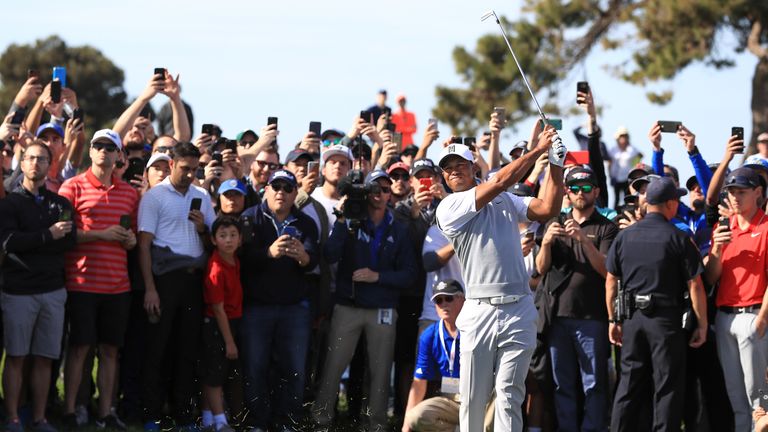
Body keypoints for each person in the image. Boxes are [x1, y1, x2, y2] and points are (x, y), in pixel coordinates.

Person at [435, 126, 565, 432]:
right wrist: (538, 150)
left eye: (460, 166)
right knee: (473, 397)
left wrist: (557, 166)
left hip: (519, 307)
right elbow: (503, 179)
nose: (454, 172)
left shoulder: (505, 200)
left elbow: (547, 208)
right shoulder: (450, 207)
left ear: (473, 168)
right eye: (448, 169)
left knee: (510, 394)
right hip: (479, 310)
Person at [313, 169, 416, 431]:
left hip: (382, 308)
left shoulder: (399, 228)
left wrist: (377, 276)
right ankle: (320, 422)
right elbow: (330, 255)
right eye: (374, 189)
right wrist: (341, 218)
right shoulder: (350, 221)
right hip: (348, 306)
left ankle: (375, 425)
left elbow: (409, 275)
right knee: (333, 368)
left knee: (380, 374)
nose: (379, 194)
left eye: (385, 189)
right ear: (366, 193)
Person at [606, 176, 708, 432]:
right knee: (667, 385)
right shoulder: (678, 237)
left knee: (628, 384)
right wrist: (702, 325)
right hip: (665, 320)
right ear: (672, 204)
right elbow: (695, 285)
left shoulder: (624, 237)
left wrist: (613, 319)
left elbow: (610, 281)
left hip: (632, 318)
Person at [58, 129, 138, 430]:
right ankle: (71, 409)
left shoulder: (130, 193)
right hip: (81, 283)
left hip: (118, 285)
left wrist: (128, 240)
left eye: (110, 147)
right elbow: (62, 235)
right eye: (98, 146)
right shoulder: (72, 187)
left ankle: (105, 412)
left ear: (119, 155)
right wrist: (101, 235)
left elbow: (134, 238)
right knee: (80, 348)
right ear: (90, 152)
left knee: (110, 350)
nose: (103, 151)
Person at [137, 141, 216, 431]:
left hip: (194, 280)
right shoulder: (154, 197)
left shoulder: (203, 196)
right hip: (164, 280)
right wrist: (150, 288)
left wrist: (202, 228)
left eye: (195, 170)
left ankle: (184, 414)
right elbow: (143, 246)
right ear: (171, 165)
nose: (190, 175)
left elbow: (214, 243)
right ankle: (152, 414)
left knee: (187, 349)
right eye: (185, 168)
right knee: (158, 348)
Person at [0, 142, 76, 432]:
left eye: (41, 159)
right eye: (30, 158)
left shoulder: (60, 204)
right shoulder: (9, 204)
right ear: (23, 162)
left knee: (45, 358)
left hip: (53, 291)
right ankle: (13, 417)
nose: (35, 164)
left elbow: (68, 241)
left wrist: (34, 240)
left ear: (50, 164)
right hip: (18, 290)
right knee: (17, 357)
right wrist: (46, 236)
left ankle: (40, 417)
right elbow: (9, 242)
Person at [536, 167, 618, 431]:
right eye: (574, 188)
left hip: (592, 317)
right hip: (557, 316)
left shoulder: (607, 228)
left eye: (586, 188)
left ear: (596, 191)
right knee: (562, 384)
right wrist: (546, 243)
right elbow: (540, 269)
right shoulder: (554, 222)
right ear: (566, 194)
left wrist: (584, 240)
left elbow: (607, 270)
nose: (580, 193)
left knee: (594, 384)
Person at [239, 169, 318, 431]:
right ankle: (258, 422)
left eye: (287, 187)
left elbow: (313, 259)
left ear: (296, 192)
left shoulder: (305, 222)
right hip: (257, 306)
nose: (281, 192)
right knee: (255, 367)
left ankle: (288, 422)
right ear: (266, 189)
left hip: (294, 308)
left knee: (294, 369)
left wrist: (303, 258)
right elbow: (240, 259)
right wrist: (268, 253)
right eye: (276, 186)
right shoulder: (249, 217)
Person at [704, 167, 768, 431]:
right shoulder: (724, 227)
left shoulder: (765, 228)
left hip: (754, 316)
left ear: (758, 193)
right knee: (736, 398)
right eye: (731, 193)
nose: (735, 198)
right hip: (725, 317)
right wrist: (716, 249)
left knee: (760, 401)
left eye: (741, 192)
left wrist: (762, 320)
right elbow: (710, 278)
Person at [402, 280, 485, 432]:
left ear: (463, 299)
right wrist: (406, 427)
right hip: (451, 400)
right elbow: (419, 382)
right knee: (416, 417)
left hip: (481, 397)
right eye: (439, 300)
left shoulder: (478, 330)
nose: (444, 303)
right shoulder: (429, 335)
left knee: (493, 420)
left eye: (449, 298)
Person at [200, 217, 243, 432]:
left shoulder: (234, 261)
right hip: (217, 325)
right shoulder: (215, 267)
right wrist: (230, 342)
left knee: (216, 372)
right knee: (215, 375)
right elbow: (218, 308)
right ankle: (220, 421)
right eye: (223, 236)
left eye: (233, 235)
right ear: (214, 240)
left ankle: (207, 419)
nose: (228, 240)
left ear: (240, 239)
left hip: (231, 322)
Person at [607, 127, 643, 209]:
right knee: (616, 198)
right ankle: (615, 215)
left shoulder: (632, 149)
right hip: (616, 178)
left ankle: (628, 212)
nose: (623, 138)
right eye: (621, 136)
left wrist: (634, 165)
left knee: (627, 197)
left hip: (627, 177)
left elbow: (640, 155)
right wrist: (610, 176)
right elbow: (609, 162)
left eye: (625, 136)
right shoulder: (613, 150)